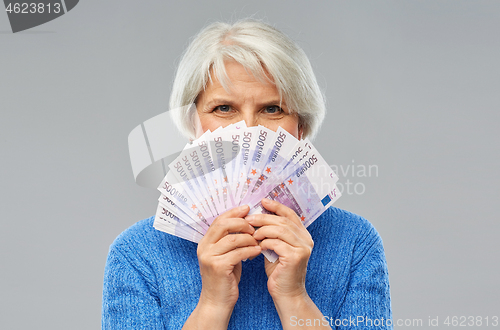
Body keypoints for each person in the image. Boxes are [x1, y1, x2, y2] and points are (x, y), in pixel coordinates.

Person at [102, 19, 392, 329]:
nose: (248, 131)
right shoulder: (137, 253)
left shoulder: (354, 243)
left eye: (272, 109)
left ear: (301, 128)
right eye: (224, 108)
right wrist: (212, 304)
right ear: (192, 126)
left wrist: (294, 297)